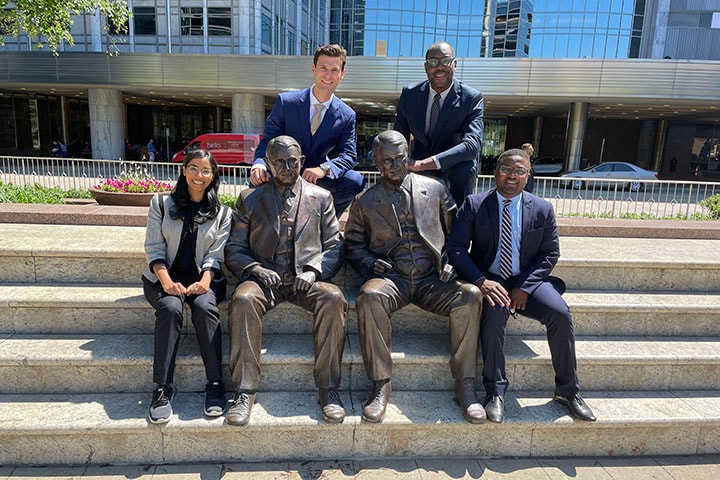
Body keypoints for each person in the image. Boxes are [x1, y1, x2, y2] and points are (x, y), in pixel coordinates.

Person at [344, 130, 485, 425]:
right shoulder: (365, 201)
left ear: (408, 156)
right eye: (387, 161)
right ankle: (380, 385)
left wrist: (450, 261)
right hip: (392, 278)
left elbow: (457, 237)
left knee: (470, 295)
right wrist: (371, 263)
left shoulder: (435, 188)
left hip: (432, 279)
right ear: (374, 160)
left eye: (400, 159)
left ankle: (465, 385)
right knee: (369, 297)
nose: (395, 166)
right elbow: (353, 245)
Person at [446, 148, 596, 424]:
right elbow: (455, 249)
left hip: (528, 280)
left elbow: (550, 254)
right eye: (506, 168)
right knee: (493, 317)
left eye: (520, 171)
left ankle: (568, 391)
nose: (512, 176)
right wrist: (482, 281)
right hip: (490, 279)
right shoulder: (475, 204)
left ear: (528, 176)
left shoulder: (542, 209)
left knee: (560, 313)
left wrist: (525, 287)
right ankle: (495, 393)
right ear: (495, 172)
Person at [224, 135, 347, 426]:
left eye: (293, 161)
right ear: (267, 163)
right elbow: (234, 248)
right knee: (242, 300)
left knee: (333, 298)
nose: (287, 167)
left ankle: (329, 389)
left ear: (302, 161)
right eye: (279, 161)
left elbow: (334, 245)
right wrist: (255, 269)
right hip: (265, 278)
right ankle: (244, 391)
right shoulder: (250, 198)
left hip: (305, 279)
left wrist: (314, 270)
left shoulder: (321, 197)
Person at [142, 149, 232, 424]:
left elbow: (216, 254)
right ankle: (162, 388)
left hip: (204, 279)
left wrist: (205, 282)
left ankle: (215, 384)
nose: (199, 175)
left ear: (213, 175)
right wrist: (167, 282)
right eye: (193, 168)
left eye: (206, 170)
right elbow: (153, 247)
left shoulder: (222, 212)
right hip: (162, 278)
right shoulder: (160, 204)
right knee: (170, 309)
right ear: (183, 170)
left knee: (205, 308)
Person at [249, 44, 365, 218]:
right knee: (257, 182)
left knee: (354, 181)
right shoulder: (286, 102)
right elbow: (268, 140)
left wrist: (324, 169)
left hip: (316, 175)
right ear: (313, 69)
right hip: (282, 170)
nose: (328, 75)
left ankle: (322, 223)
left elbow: (348, 156)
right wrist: (258, 164)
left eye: (334, 70)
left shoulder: (347, 115)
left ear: (342, 74)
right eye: (323, 68)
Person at [393, 41, 484, 208]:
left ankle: (458, 225)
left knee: (467, 168)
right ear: (426, 66)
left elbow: (472, 145)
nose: (439, 67)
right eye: (433, 62)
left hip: (452, 165)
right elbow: (399, 136)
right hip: (416, 160)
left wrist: (423, 164)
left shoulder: (471, 98)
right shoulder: (410, 94)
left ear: (455, 64)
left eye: (446, 61)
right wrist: (401, 161)